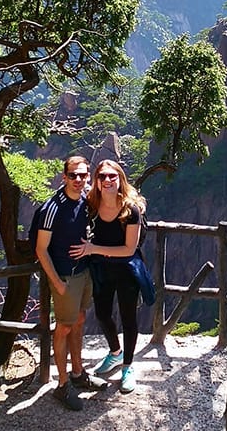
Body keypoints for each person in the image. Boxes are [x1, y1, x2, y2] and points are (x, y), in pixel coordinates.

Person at [35, 155, 107, 411]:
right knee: (64, 326)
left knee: (79, 319)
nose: (78, 180)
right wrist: (58, 283)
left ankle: (78, 374)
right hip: (66, 277)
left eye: (83, 175)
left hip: (83, 273)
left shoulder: (87, 198)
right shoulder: (53, 208)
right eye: (73, 175)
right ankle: (62, 385)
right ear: (64, 176)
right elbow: (41, 250)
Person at [70, 159, 146, 394]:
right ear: (97, 181)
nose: (107, 180)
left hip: (126, 270)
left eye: (112, 176)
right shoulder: (92, 205)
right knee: (102, 314)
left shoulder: (130, 210)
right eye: (102, 176)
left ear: (120, 178)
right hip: (102, 270)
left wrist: (93, 249)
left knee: (128, 318)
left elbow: (129, 249)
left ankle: (128, 366)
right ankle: (115, 353)